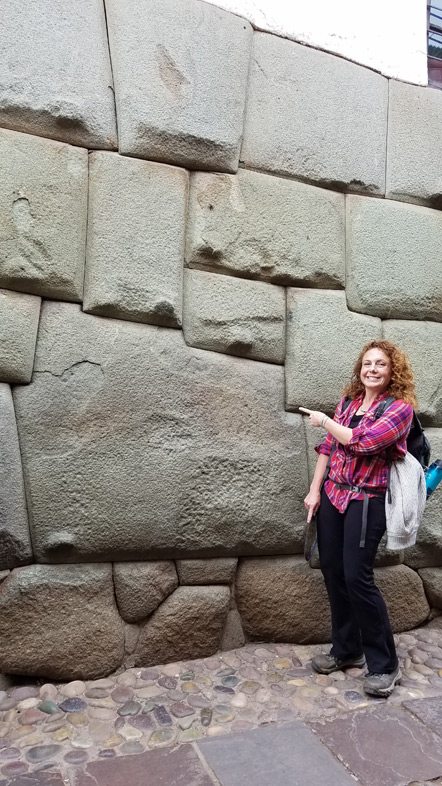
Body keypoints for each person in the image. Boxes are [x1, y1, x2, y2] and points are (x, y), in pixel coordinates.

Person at [300, 339, 417, 697]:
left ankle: (384, 665)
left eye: (381, 364)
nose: (372, 369)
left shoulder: (400, 409)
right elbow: (329, 449)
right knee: (333, 570)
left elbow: (360, 442)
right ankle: (347, 650)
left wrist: (324, 422)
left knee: (358, 577)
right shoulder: (349, 403)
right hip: (334, 495)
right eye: (367, 363)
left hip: (367, 499)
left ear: (392, 370)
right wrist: (314, 491)